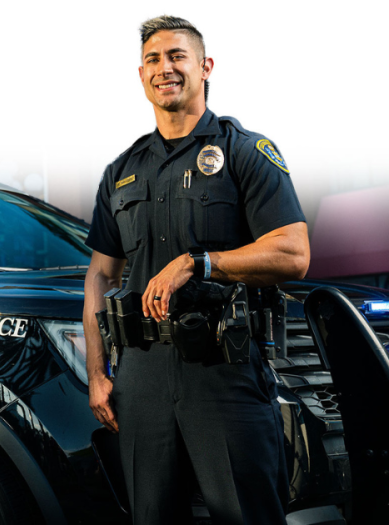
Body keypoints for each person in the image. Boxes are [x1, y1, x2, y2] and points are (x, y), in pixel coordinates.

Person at [82, 15, 310, 525]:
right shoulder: (120, 172)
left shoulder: (243, 152)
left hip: (222, 370)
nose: (165, 68)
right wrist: (98, 375)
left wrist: (198, 263)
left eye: (177, 56)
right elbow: (100, 274)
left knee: (247, 514)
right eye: (154, 60)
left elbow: (293, 253)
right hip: (140, 376)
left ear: (205, 67)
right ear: (141, 75)